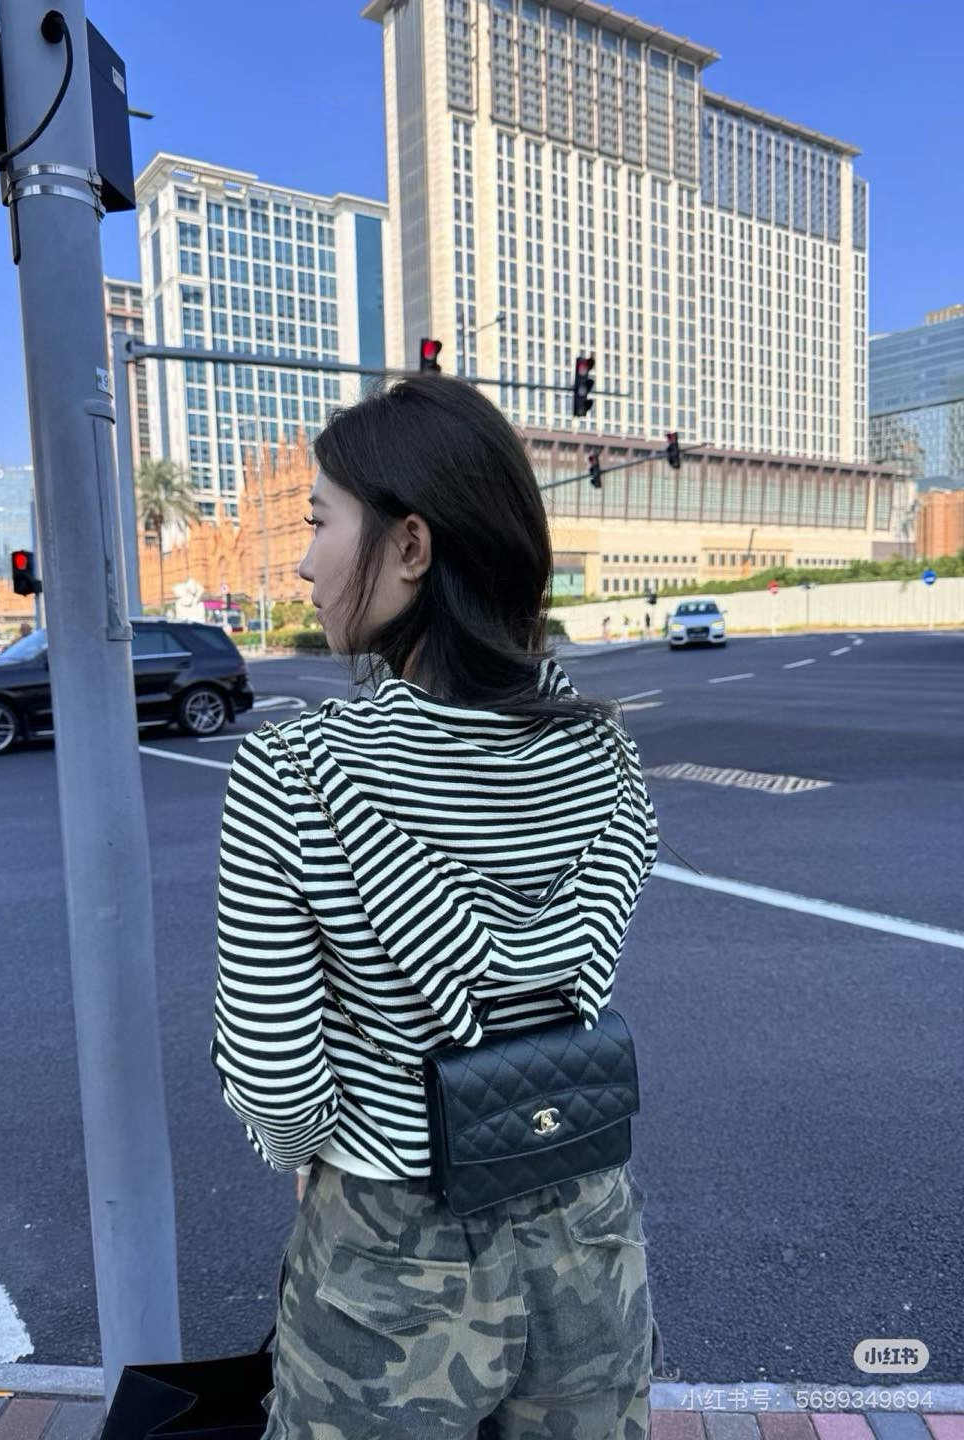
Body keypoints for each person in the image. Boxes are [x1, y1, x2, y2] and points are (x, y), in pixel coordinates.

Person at [211, 374, 663, 1440]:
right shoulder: (605, 752)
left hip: (389, 1248)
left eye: (319, 521)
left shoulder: (294, 770)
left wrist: (307, 1162)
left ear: (410, 546)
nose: (304, 561)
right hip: (586, 1218)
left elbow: (275, 1076)